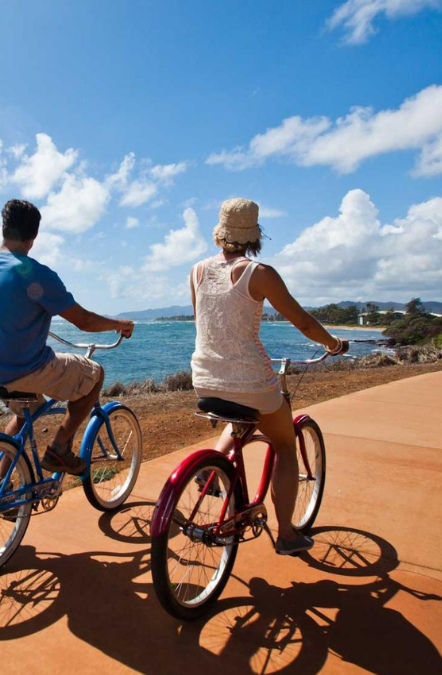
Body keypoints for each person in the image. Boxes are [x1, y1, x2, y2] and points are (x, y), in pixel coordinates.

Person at [189, 198, 348, 555]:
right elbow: (304, 322)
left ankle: (212, 472)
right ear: (253, 236)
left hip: (205, 376)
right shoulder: (259, 273)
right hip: (250, 380)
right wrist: (333, 343)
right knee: (285, 444)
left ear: (220, 233)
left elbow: (206, 322)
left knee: (240, 419)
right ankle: (288, 534)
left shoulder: (197, 270)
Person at [0, 199, 134, 476]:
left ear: (3, 228)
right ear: (34, 235)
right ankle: (60, 448)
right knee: (94, 373)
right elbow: (85, 321)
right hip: (25, 370)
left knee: (25, 414)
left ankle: (0, 486)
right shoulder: (35, 274)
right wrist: (121, 324)